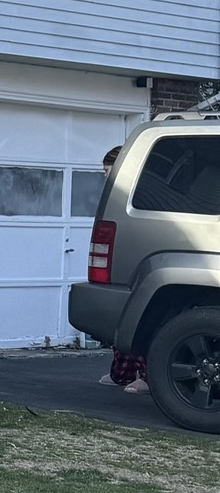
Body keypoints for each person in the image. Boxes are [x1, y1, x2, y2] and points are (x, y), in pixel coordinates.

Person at [96, 145, 149, 391]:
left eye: (109, 172)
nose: (106, 177)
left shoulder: (141, 194)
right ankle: (122, 373)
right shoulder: (117, 197)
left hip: (141, 259)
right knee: (122, 320)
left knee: (143, 319)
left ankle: (146, 376)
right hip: (122, 259)